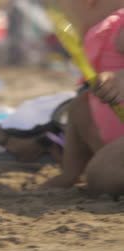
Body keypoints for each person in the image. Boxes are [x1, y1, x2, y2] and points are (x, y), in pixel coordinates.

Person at [44, 0, 124, 197]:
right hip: (110, 134)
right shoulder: (104, 28)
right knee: (80, 105)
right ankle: (70, 173)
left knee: (101, 175)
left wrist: (121, 78)